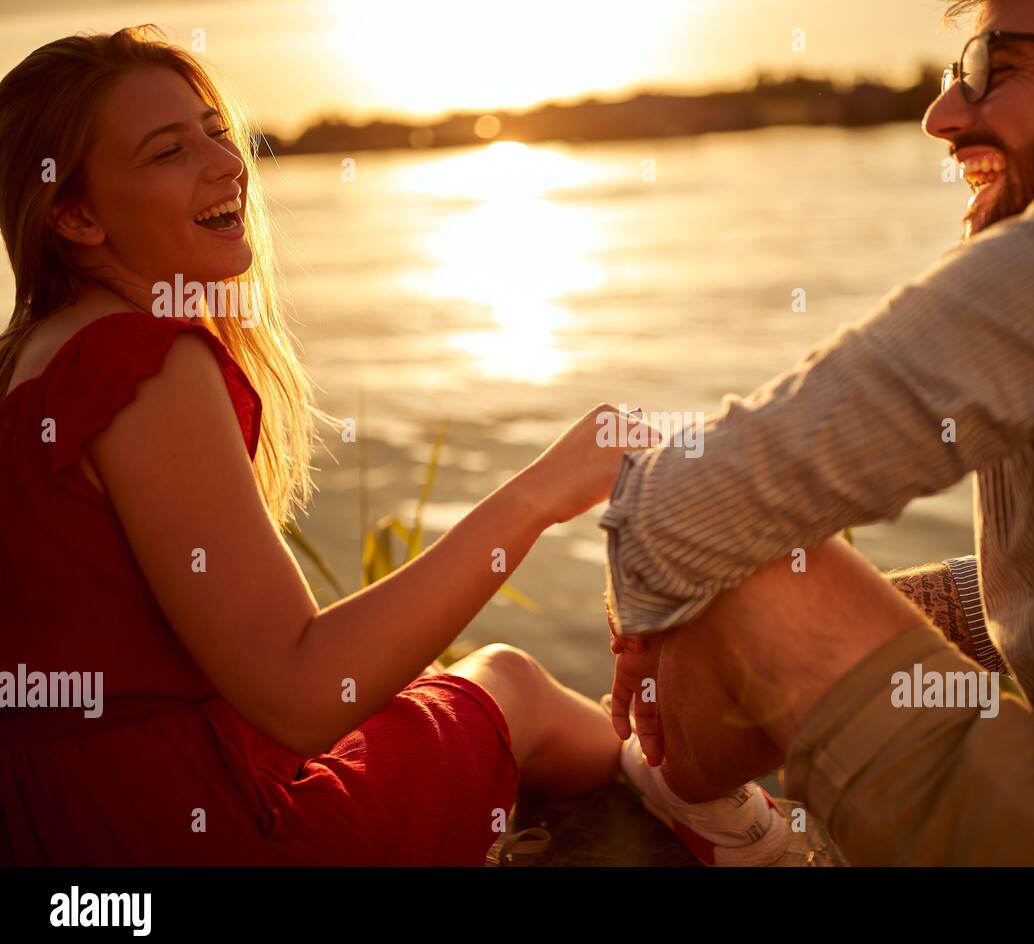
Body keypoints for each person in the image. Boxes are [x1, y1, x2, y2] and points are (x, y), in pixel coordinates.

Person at [0, 26, 787, 866]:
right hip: (199, 833)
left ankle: (667, 789)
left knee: (455, 689)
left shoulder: (29, 360)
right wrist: (541, 493)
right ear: (76, 215)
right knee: (509, 681)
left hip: (63, 821)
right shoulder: (141, 362)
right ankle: (710, 812)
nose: (227, 164)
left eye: (215, 130)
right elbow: (302, 694)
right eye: (167, 152)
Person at [602, 0, 1034, 865]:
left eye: (991, 68)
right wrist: (918, 602)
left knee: (749, 568)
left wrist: (651, 619)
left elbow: (677, 513)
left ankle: (710, 820)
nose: (943, 114)